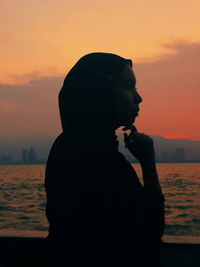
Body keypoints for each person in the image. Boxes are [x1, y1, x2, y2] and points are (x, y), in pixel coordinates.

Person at [44, 52, 165, 266]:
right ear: (99, 93)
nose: (138, 98)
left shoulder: (67, 146)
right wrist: (148, 162)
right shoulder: (101, 162)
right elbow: (151, 230)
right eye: (128, 86)